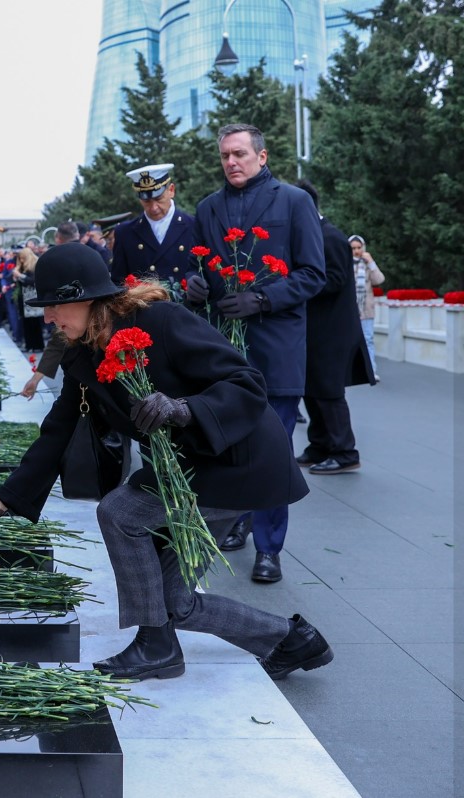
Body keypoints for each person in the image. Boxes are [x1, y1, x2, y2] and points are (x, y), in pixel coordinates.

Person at [0, 244, 332, 682]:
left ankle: (155, 646)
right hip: (192, 464)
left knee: (120, 512)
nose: (48, 318)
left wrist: (183, 408)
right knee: (174, 600)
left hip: (238, 459)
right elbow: (57, 432)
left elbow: (247, 382)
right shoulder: (82, 352)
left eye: (55, 305)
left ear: (88, 299)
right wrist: (0, 503)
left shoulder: (161, 321)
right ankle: (291, 641)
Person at [187, 123, 325, 582]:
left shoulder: (294, 202)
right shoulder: (208, 208)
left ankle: (270, 547)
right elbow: (205, 270)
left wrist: (263, 299)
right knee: (230, 443)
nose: (232, 162)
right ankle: (238, 520)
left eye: (240, 154)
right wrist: (196, 288)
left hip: (277, 346)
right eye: (225, 155)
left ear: (261, 157)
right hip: (225, 346)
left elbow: (312, 274)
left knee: (273, 448)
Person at [294, 181, 375, 474]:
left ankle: (345, 452)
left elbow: (336, 279)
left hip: (332, 331)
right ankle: (319, 445)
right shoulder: (312, 235)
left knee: (329, 392)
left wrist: (296, 284)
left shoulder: (331, 237)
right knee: (311, 389)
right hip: (314, 331)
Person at [110, 163, 197, 293]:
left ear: (171, 190)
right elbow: (118, 283)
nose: (154, 207)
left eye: (158, 199)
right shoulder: (125, 233)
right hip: (144, 310)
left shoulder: (193, 226)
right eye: (147, 202)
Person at [349, 235, 385, 376]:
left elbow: (379, 280)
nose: (356, 251)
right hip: (349, 310)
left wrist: (371, 262)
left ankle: (371, 371)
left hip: (366, 309)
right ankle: (351, 371)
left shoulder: (367, 265)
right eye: (353, 248)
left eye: (359, 247)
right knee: (350, 342)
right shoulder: (345, 263)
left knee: (368, 339)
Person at [15, 247, 44, 351]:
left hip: (32, 297)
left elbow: (32, 281)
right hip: (24, 298)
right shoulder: (23, 266)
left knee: (35, 323)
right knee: (26, 323)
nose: (21, 260)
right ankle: (29, 345)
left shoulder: (35, 265)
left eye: (22, 258)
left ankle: (38, 346)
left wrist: (20, 276)